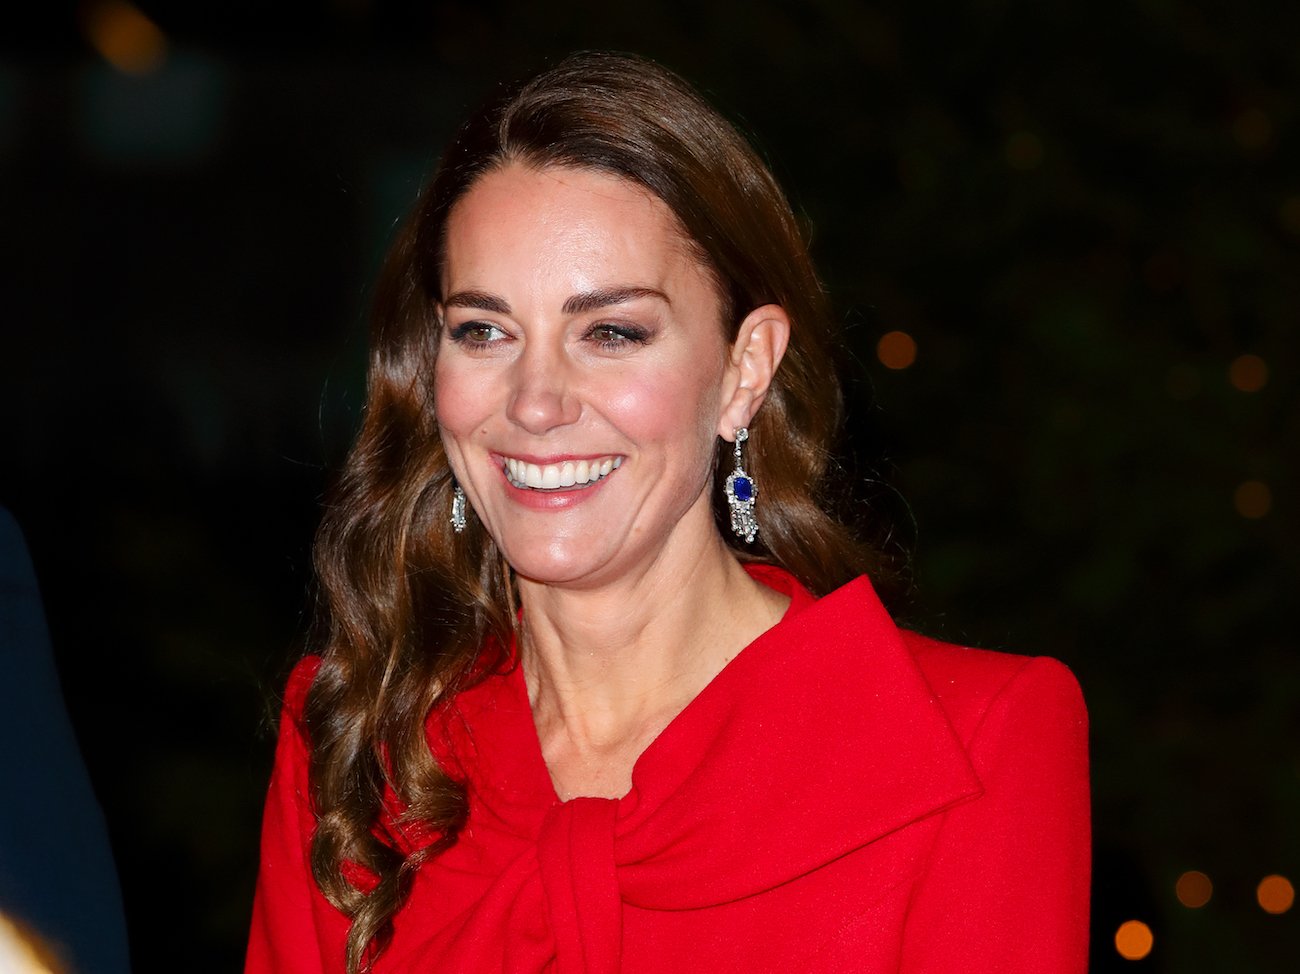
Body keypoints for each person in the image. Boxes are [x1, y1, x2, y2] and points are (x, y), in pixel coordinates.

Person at [246, 52, 1089, 974]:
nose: (534, 403)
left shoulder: (974, 744)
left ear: (745, 369)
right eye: (484, 331)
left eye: (611, 332)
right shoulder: (360, 738)